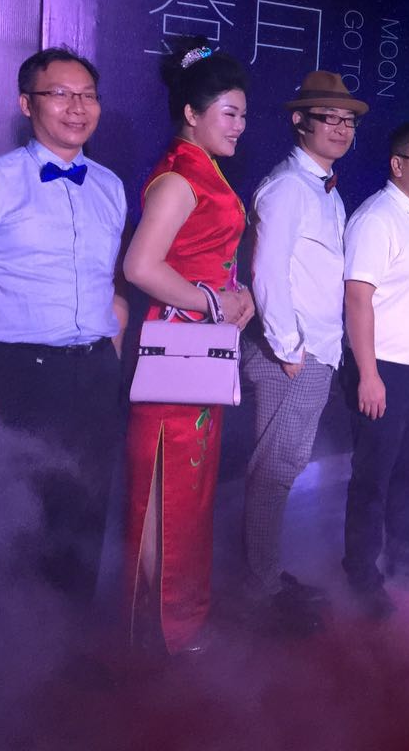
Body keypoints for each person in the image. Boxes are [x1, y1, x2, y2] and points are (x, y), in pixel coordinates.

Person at [0, 46, 127, 605]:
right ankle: (8, 640)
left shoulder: (110, 186)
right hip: (21, 372)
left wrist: (111, 357)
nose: (77, 107)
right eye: (60, 94)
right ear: (27, 104)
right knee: (17, 512)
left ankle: (70, 633)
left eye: (88, 95)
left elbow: (107, 286)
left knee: (87, 507)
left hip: (94, 371)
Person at [121, 38, 255, 654]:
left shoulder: (203, 169)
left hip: (200, 350)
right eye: (229, 113)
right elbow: (140, 266)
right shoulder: (179, 176)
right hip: (176, 352)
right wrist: (211, 302)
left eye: (243, 114)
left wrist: (236, 296)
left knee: (190, 487)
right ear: (191, 114)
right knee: (165, 487)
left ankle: (178, 619)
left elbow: (204, 259)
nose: (239, 125)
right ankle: (160, 626)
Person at [240, 71, 367, 632]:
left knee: (282, 468)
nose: (340, 128)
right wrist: (289, 349)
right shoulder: (290, 187)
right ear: (300, 121)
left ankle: (265, 577)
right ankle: (261, 593)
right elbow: (266, 272)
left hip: (317, 348)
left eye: (348, 121)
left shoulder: (323, 188)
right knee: (274, 471)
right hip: (295, 353)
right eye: (328, 118)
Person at [342, 121, 409, 619]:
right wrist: (368, 375)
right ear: (397, 165)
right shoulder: (375, 218)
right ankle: (361, 575)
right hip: (385, 370)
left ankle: (404, 560)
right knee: (373, 477)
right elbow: (357, 300)